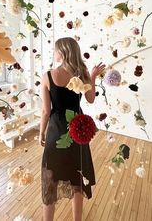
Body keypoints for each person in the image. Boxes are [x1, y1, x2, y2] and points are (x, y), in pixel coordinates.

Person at [39, 37, 105, 221]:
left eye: (55, 49)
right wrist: (92, 75)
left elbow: (46, 111)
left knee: (50, 178)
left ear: (62, 52)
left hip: (55, 130)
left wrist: (41, 133)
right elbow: (91, 99)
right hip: (77, 130)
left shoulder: (48, 76)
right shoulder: (81, 72)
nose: (54, 52)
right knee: (77, 176)